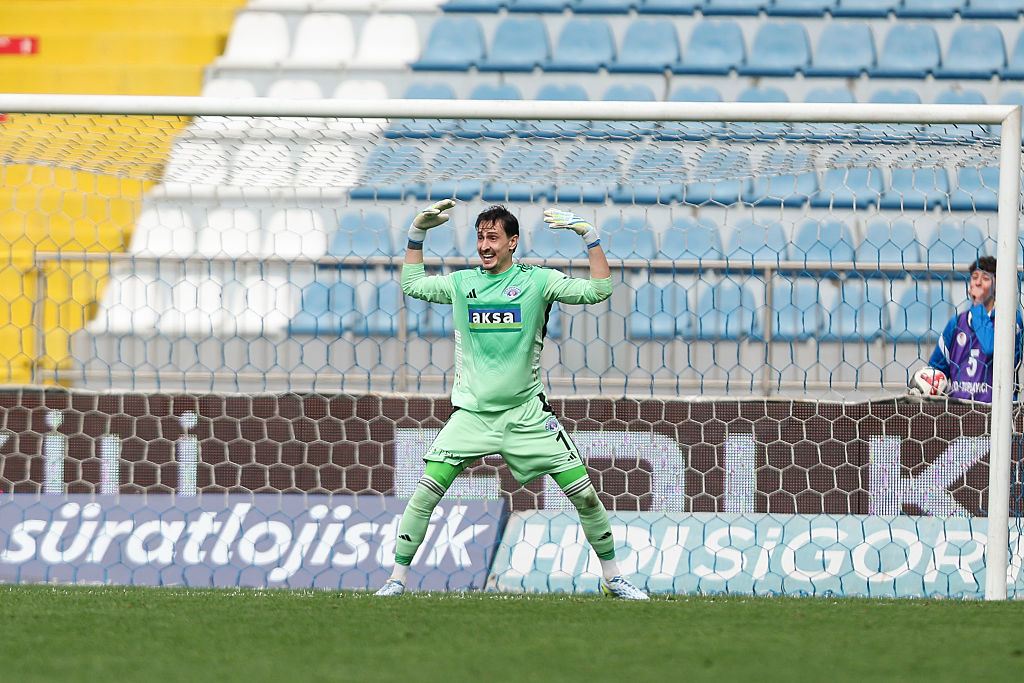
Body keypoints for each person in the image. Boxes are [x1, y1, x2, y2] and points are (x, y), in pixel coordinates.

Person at [374, 199, 648, 600]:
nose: (484, 246)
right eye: (480, 238)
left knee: (586, 495)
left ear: (513, 241)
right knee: (426, 493)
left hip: (527, 415)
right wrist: (417, 234)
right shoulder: (462, 284)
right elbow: (412, 285)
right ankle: (395, 580)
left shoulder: (537, 282)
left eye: (493, 238)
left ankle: (613, 578)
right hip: (472, 414)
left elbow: (600, 290)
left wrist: (589, 237)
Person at [913, 256, 1023, 403]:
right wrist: (923, 383)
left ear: (997, 285)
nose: (977, 282)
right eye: (974, 277)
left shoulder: (1010, 318)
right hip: (958, 412)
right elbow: (937, 369)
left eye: (985, 278)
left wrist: (978, 304)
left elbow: (990, 347)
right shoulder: (956, 323)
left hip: (996, 413)